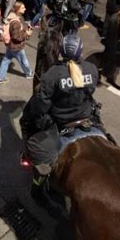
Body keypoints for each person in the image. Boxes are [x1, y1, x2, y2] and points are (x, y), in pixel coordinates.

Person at [20, 35, 99, 201]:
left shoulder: (52, 74)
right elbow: (91, 91)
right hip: (86, 117)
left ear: (61, 51)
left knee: (32, 137)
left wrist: (31, 117)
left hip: (59, 123)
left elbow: (41, 105)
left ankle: (39, 182)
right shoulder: (91, 68)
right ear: (80, 51)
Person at [0, 2, 33, 84]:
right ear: (18, 10)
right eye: (23, 8)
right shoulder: (15, 22)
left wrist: (25, 29)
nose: (25, 9)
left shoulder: (15, 17)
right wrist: (26, 34)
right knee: (24, 61)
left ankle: (0, 78)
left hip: (10, 45)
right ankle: (29, 73)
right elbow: (16, 37)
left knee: (5, 60)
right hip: (17, 47)